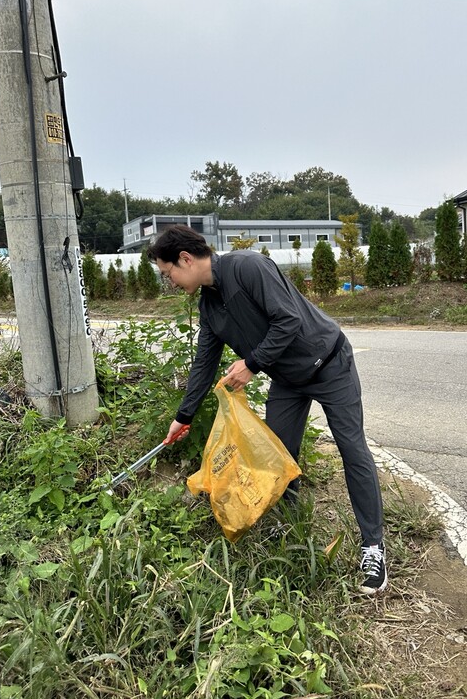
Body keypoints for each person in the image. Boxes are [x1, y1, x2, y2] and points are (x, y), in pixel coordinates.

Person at [147, 224, 387, 595]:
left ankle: (373, 545)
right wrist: (184, 416)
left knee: (352, 449)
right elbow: (204, 363)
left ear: (185, 259)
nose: (171, 282)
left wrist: (251, 363)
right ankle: (291, 525)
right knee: (276, 456)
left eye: (169, 274)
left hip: (330, 364)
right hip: (288, 381)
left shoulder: (248, 267)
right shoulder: (209, 306)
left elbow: (288, 319)